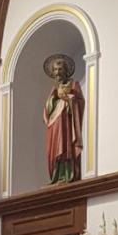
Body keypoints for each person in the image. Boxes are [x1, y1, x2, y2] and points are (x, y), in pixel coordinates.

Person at [43, 54, 84, 184]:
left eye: (60, 69)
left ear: (66, 70)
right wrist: (54, 98)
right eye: (55, 70)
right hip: (55, 125)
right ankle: (56, 175)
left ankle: (68, 174)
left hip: (67, 124)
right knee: (56, 149)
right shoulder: (54, 89)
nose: (57, 72)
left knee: (66, 148)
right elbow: (47, 111)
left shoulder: (73, 84)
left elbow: (80, 102)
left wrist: (69, 99)